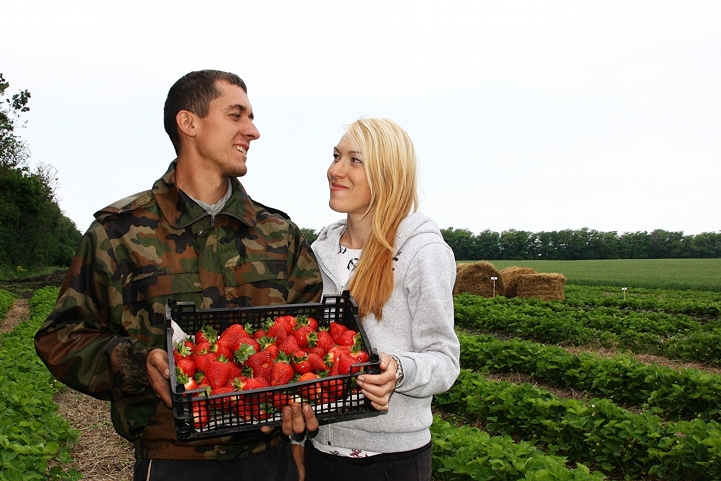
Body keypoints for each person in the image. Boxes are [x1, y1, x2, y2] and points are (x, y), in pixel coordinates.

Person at [35, 70, 323, 481]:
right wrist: (139, 363)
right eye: (237, 115)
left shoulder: (278, 234)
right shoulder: (119, 233)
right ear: (189, 123)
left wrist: (298, 428)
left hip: (268, 454)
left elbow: (311, 333)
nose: (253, 131)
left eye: (251, 117)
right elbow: (60, 336)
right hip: (173, 457)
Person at [305, 117, 460, 481]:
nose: (335, 170)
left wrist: (399, 370)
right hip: (320, 449)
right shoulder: (318, 253)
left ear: (387, 174)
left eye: (354, 160)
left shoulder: (422, 252)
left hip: (390, 461)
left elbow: (444, 359)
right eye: (335, 156)